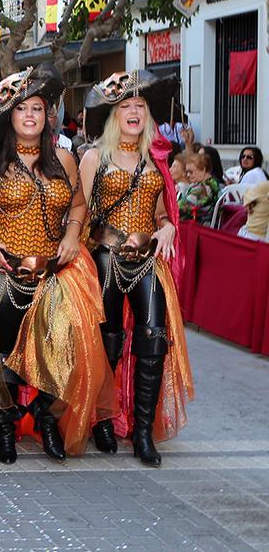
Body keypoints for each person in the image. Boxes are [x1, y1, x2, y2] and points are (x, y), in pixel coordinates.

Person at [0, 63, 115, 464]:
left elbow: (78, 205)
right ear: (9, 116)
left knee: (67, 343)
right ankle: (7, 425)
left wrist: (69, 236)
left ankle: (47, 417)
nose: (30, 116)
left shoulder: (64, 158)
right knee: (4, 347)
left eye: (38, 109)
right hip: (4, 267)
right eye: (22, 108)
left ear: (48, 117)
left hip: (54, 269)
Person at [79, 70, 194, 466]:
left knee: (152, 339)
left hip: (147, 262)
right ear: (114, 114)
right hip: (106, 259)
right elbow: (80, 214)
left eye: (139, 106)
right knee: (107, 341)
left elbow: (164, 214)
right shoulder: (95, 156)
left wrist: (166, 230)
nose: (133, 111)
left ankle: (144, 433)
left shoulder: (155, 159)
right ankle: (103, 420)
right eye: (125, 105)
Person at [177, 153, 219, 223]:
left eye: (191, 172)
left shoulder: (201, 189)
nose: (188, 175)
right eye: (187, 172)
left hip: (197, 227)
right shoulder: (213, 182)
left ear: (203, 169)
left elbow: (179, 207)